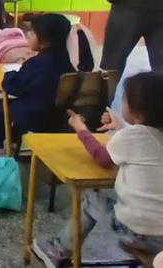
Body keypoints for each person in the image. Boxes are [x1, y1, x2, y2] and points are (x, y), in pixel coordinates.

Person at [33, 71, 163, 267]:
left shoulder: (129, 138)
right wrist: (120, 126)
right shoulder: (150, 135)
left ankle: (59, 249)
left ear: (137, 112)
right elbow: (143, 141)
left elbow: (103, 158)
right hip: (161, 237)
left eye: (125, 99)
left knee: (90, 199)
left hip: (133, 229)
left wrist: (81, 130)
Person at [0, 14, 75, 153]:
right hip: (60, 117)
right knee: (22, 103)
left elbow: (12, 87)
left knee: (4, 105)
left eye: (33, 32)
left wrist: (10, 73)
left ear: (44, 40)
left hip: (37, 117)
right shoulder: (66, 62)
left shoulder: (37, 64)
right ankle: (13, 137)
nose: (28, 35)